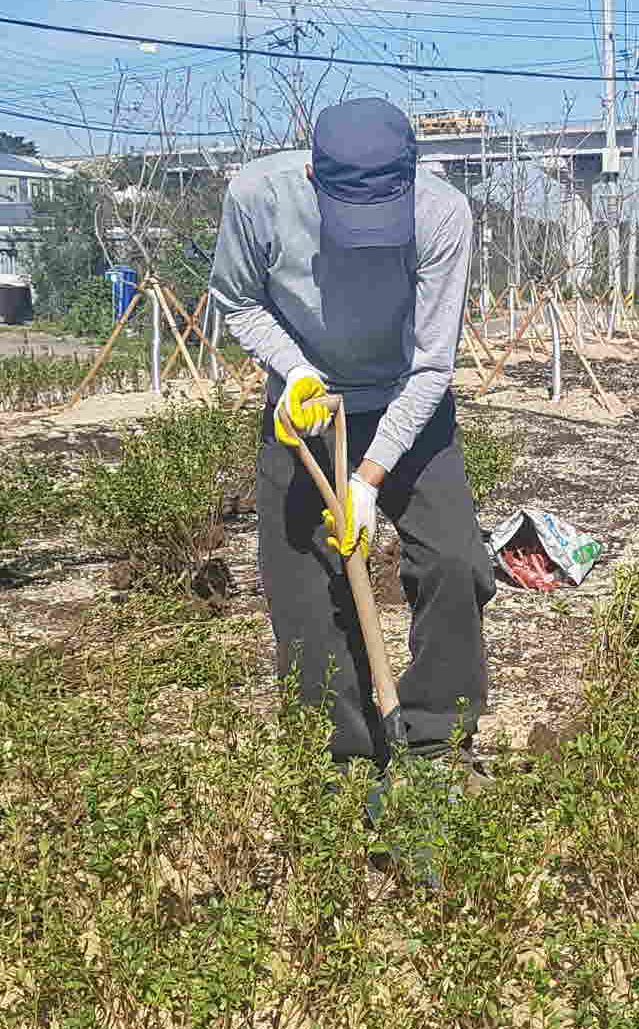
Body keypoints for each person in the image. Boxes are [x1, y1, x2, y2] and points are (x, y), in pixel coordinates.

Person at [211, 96, 495, 763]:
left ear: (411, 175)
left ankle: (436, 741)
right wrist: (295, 373)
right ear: (314, 176)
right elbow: (237, 302)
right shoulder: (259, 196)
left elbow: (431, 365)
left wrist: (369, 478)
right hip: (305, 410)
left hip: (408, 403)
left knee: (456, 561)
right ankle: (342, 758)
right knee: (304, 591)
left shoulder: (442, 213)